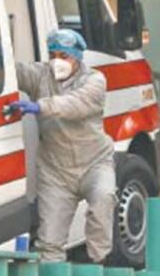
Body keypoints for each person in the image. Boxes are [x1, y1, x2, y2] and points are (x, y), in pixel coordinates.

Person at [7, 29, 117, 263]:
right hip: (55, 171)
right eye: (53, 54)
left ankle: (99, 264)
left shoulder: (95, 80)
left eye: (64, 56)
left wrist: (40, 106)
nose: (58, 61)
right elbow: (14, 73)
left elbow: (77, 104)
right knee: (49, 242)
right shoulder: (40, 75)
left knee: (103, 200)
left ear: (77, 57)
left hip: (94, 164)